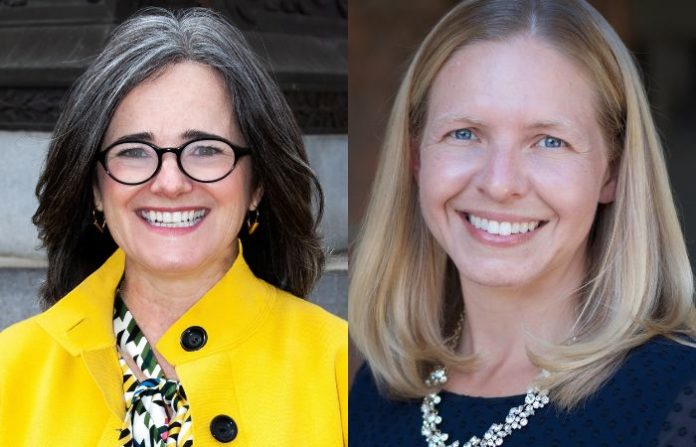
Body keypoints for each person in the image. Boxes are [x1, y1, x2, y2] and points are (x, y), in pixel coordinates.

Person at [349, 0, 696, 445]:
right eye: (465, 133)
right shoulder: (375, 398)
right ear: (417, 156)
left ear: (612, 171)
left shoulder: (679, 400)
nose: (499, 183)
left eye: (549, 141)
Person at [0, 7, 347, 446]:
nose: (170, 183)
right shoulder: (10, 371)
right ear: (95, 188)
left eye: (204, 149)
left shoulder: (343, 366)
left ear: (257, 184)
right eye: (133, 151)